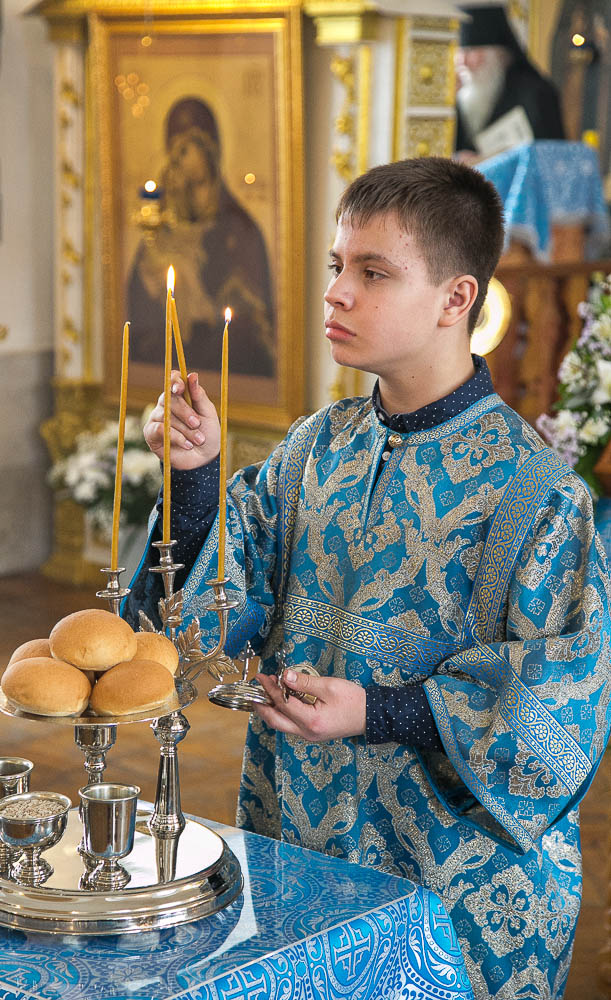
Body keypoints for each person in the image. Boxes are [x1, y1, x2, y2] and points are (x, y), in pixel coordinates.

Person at [123, 157, 611, 998]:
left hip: (455, 891)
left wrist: (377, 711)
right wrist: (196, 475)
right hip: (299, 847)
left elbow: (558, 715)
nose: (336, 293)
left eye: (373, 273)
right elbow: (210, 610)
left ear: (456, 299)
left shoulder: (538, 495)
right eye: (336, 266)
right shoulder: (315, 446)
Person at [128, 96, 275, 378]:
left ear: (207, 150)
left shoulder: (240, 229)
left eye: (185, 150)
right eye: (174, 152)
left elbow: (254, 315)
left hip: (227, 361)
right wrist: (149, 281)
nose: (177, 160)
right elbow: (136, 305)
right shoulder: (163, 225)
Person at [456, 4, 565, 154]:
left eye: (471, 51)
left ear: (497, 56)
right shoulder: (458, 96)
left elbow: (549, 155)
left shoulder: (537, 94)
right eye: (460, 52)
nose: (463, 62)